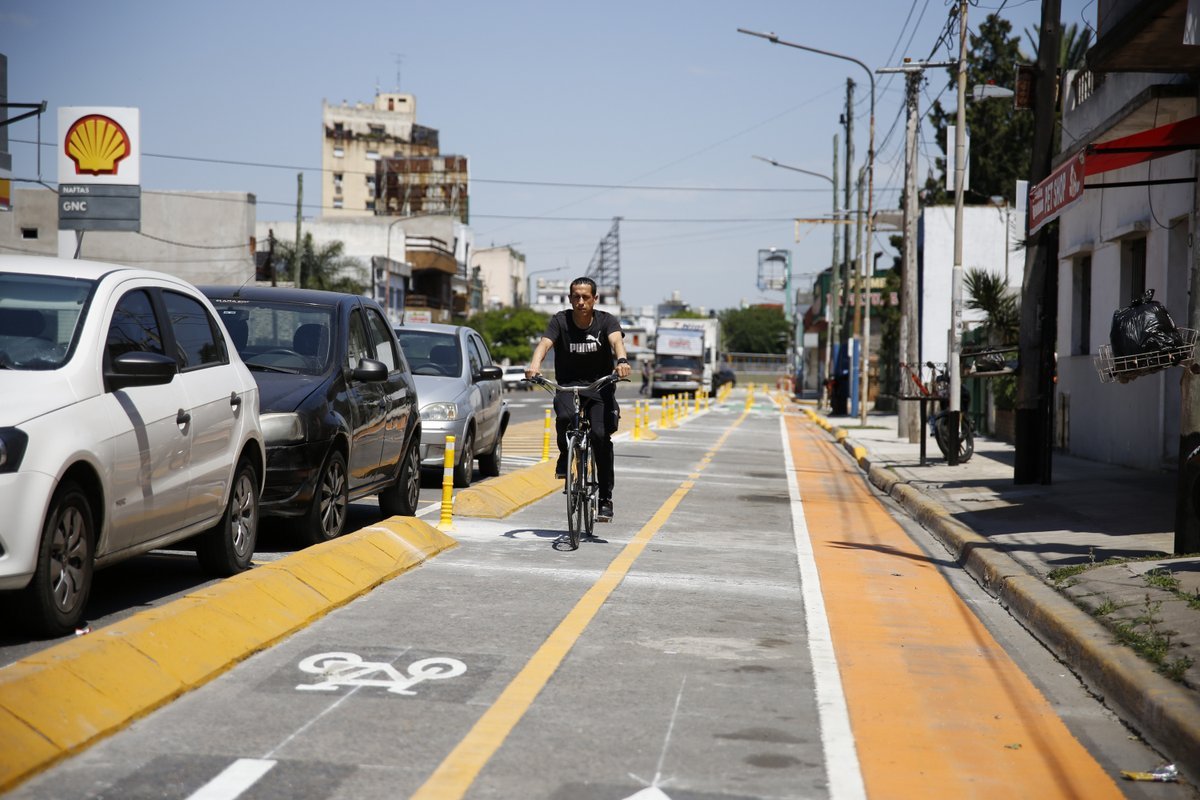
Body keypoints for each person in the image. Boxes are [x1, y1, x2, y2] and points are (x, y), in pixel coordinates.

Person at [526, 277, 632, 521]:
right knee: (563, 418)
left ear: (595, 299)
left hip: (600, 386)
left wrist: (622, 361)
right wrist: (534, 365)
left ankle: (605, 498)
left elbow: (617, 341)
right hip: (568, 385)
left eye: (586, 297)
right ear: (570, 298)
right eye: (576, 296)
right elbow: (544, 344)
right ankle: (566, 455)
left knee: (599, 436)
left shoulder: (606, 320)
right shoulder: (560, 320)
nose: (581, 301)